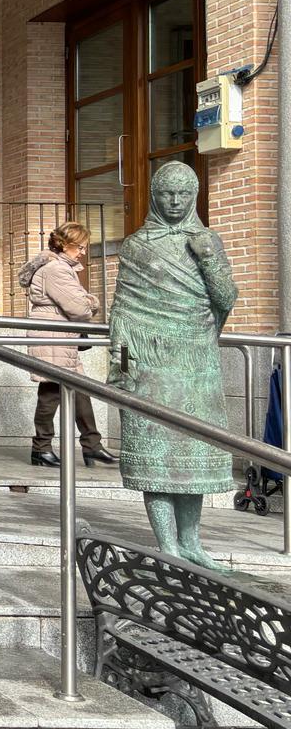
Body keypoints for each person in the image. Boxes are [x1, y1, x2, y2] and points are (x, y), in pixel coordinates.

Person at [109, 161, 237, 569]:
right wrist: (121, 361)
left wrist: (210, 257)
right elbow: (122, 310)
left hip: (196, 359)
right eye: (167, 193)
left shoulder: (208, 240)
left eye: (183, 194)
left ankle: (191, 542)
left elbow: (226, 300)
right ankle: (167, 544)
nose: (176, 202)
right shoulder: (136, 245)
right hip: (149, 362)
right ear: (154, 195)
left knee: (192, 450)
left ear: (195, 195)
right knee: (156, 453)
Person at [19, 221, 115, 468]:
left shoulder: (59, 267)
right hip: (53, 335)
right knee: (50, 393)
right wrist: (92, 302)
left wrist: (85, 301)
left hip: (59, 335)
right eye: (79, 246)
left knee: (80, 390)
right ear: (65, 244)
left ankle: (91, 446)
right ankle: (41, 448)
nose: (83, 251)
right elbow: (80, 308)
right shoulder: (56, 269)